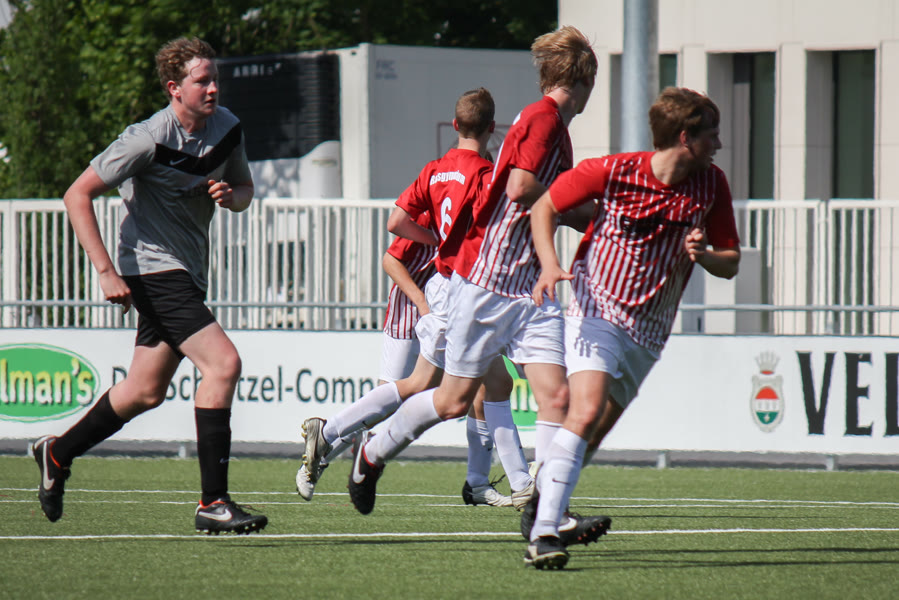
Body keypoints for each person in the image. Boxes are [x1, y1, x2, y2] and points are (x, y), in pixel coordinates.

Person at [346, 27, 610, 551]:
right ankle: (371, 454)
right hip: (487, 285)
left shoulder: (555, 129)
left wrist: (603, 220)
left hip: (531, 290)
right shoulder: (542, 118)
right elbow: (522, 187)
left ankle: (547, 517)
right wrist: (575, 209)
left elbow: (550, 205)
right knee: (451, 401)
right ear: (584, 78)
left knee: (557, 396)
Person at [31, 37, 267, 535]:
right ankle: (213, 502)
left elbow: (245, 189)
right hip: (151, 269)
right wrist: (105, 271)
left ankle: (57, 453)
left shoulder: (227, 127)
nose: (213, 88)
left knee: (144, 391)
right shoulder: (146, 138)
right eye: (202, 81)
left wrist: (232, 195)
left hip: (187, 271)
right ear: (174, 88)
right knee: (223, 364)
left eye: (214, 78)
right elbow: (77, 195)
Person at [526, 86, 742, 568]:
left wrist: (704, 256)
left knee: (593, 433)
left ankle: (543, 503)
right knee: (584, 411)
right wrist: (549, 263)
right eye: (712, 134)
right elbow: (544, 206)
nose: (718, 144)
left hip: (650, 330)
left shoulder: (712, 185)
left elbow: (730, 262)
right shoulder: (613, 171)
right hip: (596, 309)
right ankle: (543, 535)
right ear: (685, 137)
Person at [299, 88, 526, 508]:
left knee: (495, 383)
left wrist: (435, 238)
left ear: (455, 125)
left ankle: (508, 484)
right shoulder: (484, 174)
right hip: (460, 291)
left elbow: (396, 222)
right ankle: (333, 434)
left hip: (447, 289)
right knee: (425, 386)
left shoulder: (435, 170)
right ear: (492, 128)